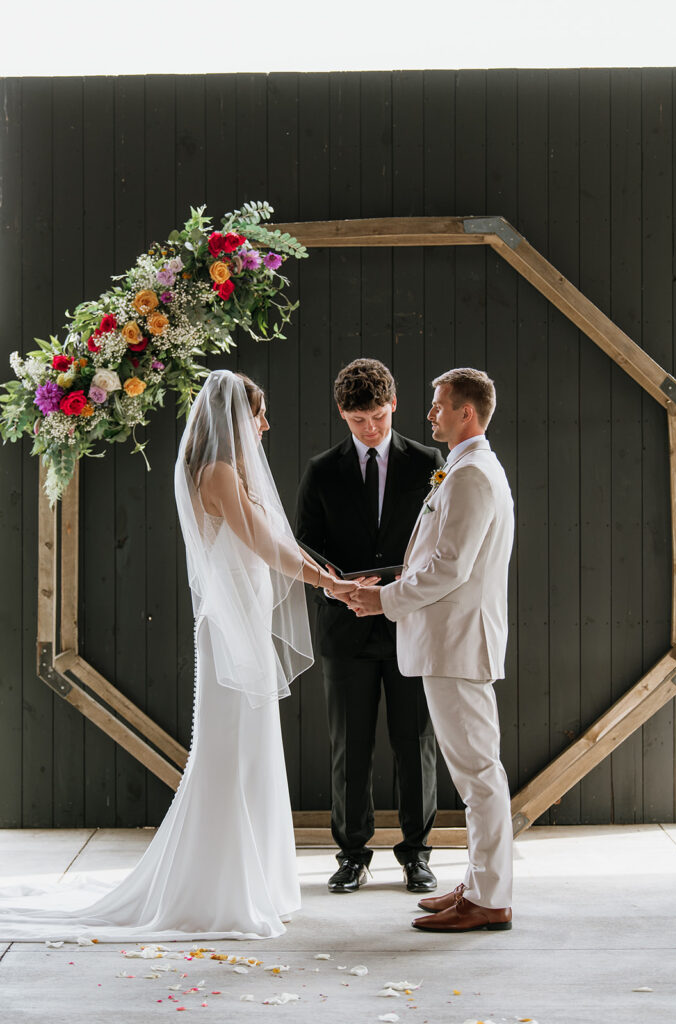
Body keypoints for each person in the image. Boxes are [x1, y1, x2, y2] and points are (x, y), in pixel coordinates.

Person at [0, 369, 359, 941]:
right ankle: (217, 888)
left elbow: (272, 547)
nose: (264, 425)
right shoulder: (217, 473)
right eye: (258, 415)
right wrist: (331, 583)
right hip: (232, 633)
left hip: (242, 629)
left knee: (248, 750)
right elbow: (268, 547)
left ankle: (255, 879)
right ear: (236, 418)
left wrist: (321, 575)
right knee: (228, 752)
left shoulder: (222, 470)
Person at [349, 368, 515, 932]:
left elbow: (451, 567)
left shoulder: (471, 476)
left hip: (458, 644)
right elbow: (437, 558)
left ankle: (490, 898)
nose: (431, 414)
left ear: (467, 412)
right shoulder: (465, 469)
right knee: (472, 772)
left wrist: (385, 602)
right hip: (450, 641)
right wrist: (389, 580)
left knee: (477, 773)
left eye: (439, 404)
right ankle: (476, 882)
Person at [295, 358, 443, 895]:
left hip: (409, 623)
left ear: (394, 404)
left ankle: (417, 854)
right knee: (349, 746)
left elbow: (440, 540)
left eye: (378, 417)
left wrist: (405, 583)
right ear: (342, 414)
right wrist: (336, 583)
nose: (371, 429)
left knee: (415, 742)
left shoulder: (431, 462)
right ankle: (352, 854)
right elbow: (304, 543)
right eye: (359, 421)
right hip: (345, 625)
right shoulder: (321, 470)